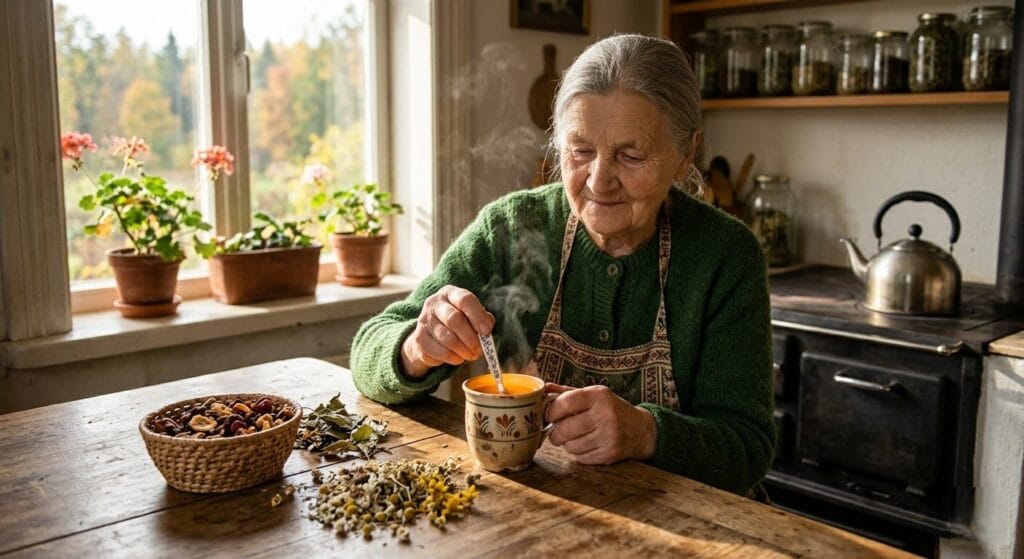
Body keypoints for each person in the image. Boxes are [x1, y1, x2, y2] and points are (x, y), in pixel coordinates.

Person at [351, 33, 774, 496]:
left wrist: (646, 433)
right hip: (549, 515)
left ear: (685, 154)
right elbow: (367, 351)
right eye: (580, 150)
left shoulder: (725, 256)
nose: (599, 181)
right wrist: (416, 348)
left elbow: (747, 449)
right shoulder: (511, 227)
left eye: (631, 155)